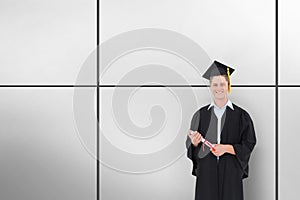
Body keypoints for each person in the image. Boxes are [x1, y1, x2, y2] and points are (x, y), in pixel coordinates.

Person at [186, 60, 256, 200]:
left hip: (231, 172)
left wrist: (227, 148)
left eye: (222, 84)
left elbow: (249, 143)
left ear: (228, 86)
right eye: (215, 84)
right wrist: (194, 142)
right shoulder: (200, 115)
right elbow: (191, 147)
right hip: (207, 172)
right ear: (211, 87)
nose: (219, 88)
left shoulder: (241, 115)